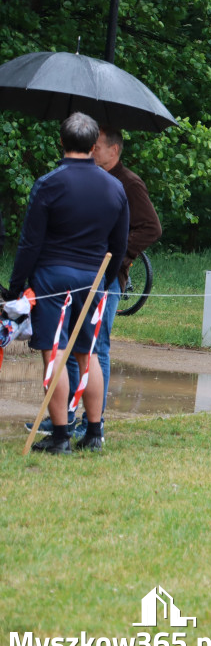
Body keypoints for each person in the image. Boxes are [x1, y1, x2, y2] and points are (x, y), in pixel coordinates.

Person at [5, 112, 129, 454]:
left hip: (52, 279)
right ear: (93, 145)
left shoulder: (48, 183)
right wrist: (104, 279)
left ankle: (60, 437)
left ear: (61, 141)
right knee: (88, 355)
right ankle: (94, 432)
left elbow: (30, 243)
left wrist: (16, 286)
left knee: (55, 354)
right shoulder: (115, 187)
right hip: (93, 278)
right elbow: (118, 246)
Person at [57, 126, 162, 440]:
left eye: (98, 147)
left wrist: (118, 255)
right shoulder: (88, 177)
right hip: (79, 275)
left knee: (95, 346)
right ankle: (65, 416)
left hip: (108, 277)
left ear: (114, 150)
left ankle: (94, 421)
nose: (91, 151)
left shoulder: (128, 183)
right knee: (73, 346)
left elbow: (152, 228)